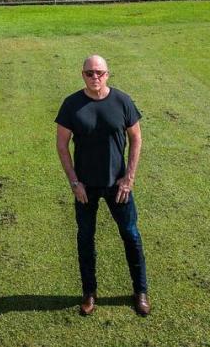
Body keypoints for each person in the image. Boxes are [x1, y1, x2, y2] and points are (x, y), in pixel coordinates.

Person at [55, 54, 150, 317]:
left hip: (118, 186)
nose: (94, 77)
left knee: (131, 235)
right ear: (82, 74)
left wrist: (129, 178)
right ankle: (89, 293)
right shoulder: (71, 105)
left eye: (99, 72)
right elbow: (62, 145)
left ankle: (140, 291)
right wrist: (74, 182)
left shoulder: (122, 101)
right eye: (89, 73)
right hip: (85, 187)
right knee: (85, 238)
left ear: (108, 74)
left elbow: (136, 138)